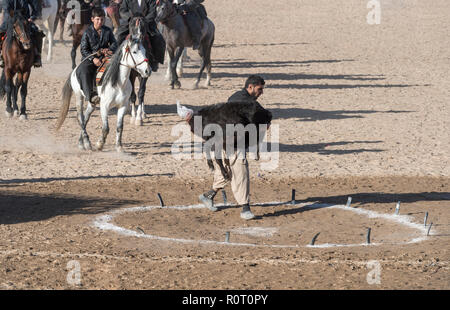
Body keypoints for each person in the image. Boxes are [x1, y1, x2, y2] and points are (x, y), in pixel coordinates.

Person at [198, 75, 267, 220]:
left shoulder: (234, 96)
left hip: (221, 141)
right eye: (260, 89)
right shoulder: (247, 102)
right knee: (241, 172)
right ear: (251, 87)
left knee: (226, 171)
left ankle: (207, 196)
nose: (261, 92)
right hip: (232, 143)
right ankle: (245, 208)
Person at [78, 7, 117, 104]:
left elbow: (114, 44)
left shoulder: (108, 31)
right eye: (97, 19)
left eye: (102, 19)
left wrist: (110, 50)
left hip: (105, 58)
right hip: (90, 59)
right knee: (84, 70)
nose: (100, 21)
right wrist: (93, 59)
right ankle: (90, 95)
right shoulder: (87, 33)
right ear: (92, 19)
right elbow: (83, 49)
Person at [116, 0, 165, 71]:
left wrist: (142, 20)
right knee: (118, 36)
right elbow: (122, 10)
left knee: (158, 38)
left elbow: (152, 12)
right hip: (130, 23)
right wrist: (131, 18)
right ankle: (116, 59)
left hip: (147, 23)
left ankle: (155, 61)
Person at [0, 0, 45, 68]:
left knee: (38, 32)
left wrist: (32, 17)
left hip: (24, 20)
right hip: (10, 20)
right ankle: (1, 55)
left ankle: (37, 56)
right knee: (0, 32)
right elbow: (7, 8)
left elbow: (35, 6)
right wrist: (12, 18)